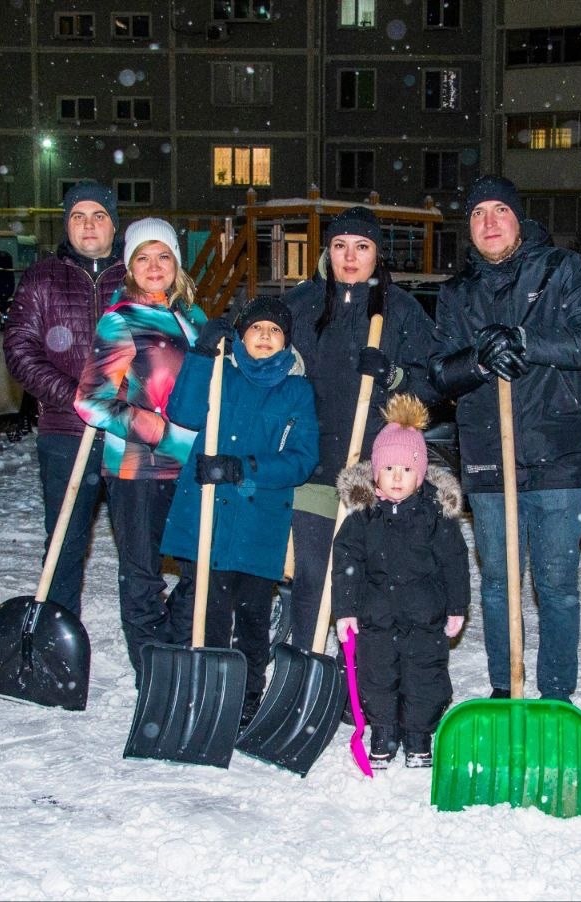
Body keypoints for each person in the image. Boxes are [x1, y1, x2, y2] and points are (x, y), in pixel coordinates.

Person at [429, 175, 581, 703]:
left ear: (517, 218)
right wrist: (478, 360)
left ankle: (556, 695)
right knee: (497, 586)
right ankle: (503, 689)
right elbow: (441, 372)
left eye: (499, 211)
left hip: (561, 457)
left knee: (555, 586)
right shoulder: (458, 294)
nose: (489, 222)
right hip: (491, 460)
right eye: (478, 213)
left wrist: (529, 342)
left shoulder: (561, 270)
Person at [281, 205, 439, 651]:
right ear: (327, 252)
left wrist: (393, 377)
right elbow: (261, 358)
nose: (350, 256)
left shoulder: (401, 311)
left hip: (376, 473)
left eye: (362, 246)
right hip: (311, 464)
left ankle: (362, 680)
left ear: (377, 255)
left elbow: (431, 381)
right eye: (340, 246)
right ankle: (308, 664)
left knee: (369, 580)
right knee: (313, 574)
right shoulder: (299, 306)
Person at [160, 297, 319, 726]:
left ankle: (248, 694)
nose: (264, 336)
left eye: (275, 330)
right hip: (208, 516)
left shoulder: (297, 390)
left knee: (252, 615)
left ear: (287, 343)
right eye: (256, 328)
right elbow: (183, 412)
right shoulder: (218, 375)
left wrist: (243, 467)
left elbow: (303, 460)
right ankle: (209, 690)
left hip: (257, 521)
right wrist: (198, 356)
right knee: (207, 611)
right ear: (239, 337)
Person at [74, 218, 205, 685]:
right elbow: (90, 400)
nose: (154, 266)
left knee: (201, 569)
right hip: (137, 470)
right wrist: (160, 431)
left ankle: (169, 645)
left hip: (190, 472)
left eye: (163, 256)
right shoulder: (121, 319)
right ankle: (154, 672)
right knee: (143, 574)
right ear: (130, 266)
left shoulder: (193, 323)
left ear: (176, 265)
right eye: (143, 258)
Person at [3, 180, 124, 616]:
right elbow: (19, 351)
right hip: (66, 433)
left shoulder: (138, 275)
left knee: (141, 549)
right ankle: (58, 634)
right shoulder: (42, 277)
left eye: (98, 216)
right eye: (78, 216)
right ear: (66, 224)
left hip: (130, 434)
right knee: (64, 544)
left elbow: (167, 350)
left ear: (114, 224)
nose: (88, 226)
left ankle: (148, 641)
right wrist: (76, 396)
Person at [332, 394, 469, 768]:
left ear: (420, 474)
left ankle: (417, 736)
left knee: (424, 676)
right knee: (377, 677)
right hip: (376, 616)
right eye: (388, 468)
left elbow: (454, 561)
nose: (396, 477)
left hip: (424, 616)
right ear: (375, 470)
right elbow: (347, 561)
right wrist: (345, 610)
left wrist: (457, 605)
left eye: (406, 470)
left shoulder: (435, 516)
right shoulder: (362, 518)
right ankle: (384, 732)